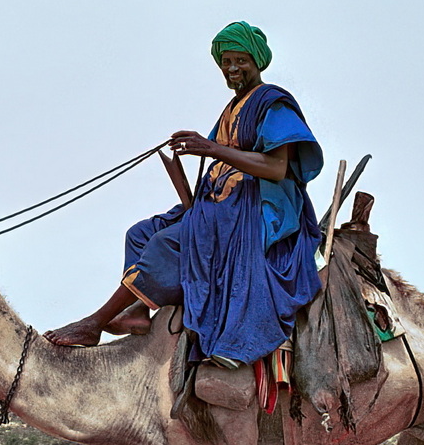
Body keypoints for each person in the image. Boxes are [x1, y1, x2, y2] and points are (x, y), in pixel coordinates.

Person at [44, 21, 324, 369]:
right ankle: (137, 310)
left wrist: (210, 148)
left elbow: (277, 168)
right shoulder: (233, 107)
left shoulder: (272, 103)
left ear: (257, 61)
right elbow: (220, 156)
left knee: (166, 243)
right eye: (226, 62)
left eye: (241, 61)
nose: (233, 69)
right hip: (223, 202)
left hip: (258, 208)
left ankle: (95, 323)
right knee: (141, 232)